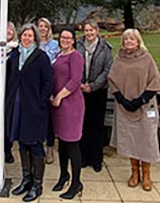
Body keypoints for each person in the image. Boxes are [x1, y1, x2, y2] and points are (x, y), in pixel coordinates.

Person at [108, 29, 160, 191]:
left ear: (138, 41)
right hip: (124, 105)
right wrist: (121, 99)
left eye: (132, 39)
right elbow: (112, 80)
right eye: (126, 39)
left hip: (144, 105)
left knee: (145, 140)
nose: (129, 42)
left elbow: (155, 81)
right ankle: (134, 173)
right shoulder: (119, 59)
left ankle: (147, 175)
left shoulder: (147, 59)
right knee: (131, 140)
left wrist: (141, 100)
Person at [7, 23, 54, 202]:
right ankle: (26, 178)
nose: (26, 38)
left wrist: (41, 102)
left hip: (34, 107)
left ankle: (37, 184)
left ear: (35, 37)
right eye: (24, 35)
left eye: (29, 35)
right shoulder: (15, 54)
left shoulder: (40, 57)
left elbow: (48, 81)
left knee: (34, 143)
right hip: (17, 105)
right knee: (22, 143)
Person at [50, 28, 85, 199]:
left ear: (73, 40)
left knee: (72, 143)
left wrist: (59, 96)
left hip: (71, 104)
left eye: (68, 38)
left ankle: (76, 183)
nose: (64, 40)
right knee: (62, 143)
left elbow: (75, 81)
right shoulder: (57, 55)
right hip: (57, 105)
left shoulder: (75, 56)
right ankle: (64, 175)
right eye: (62, 37)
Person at [76, 20, 113, 172]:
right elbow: (74, 65)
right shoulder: (78, 45)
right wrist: (80, 84)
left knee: (96, 126)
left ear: (97, 31)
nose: (89, 33)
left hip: (98, 92)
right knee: (82, 125)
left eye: (92, 30)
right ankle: (84, 157)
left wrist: (93, 86)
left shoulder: (105, 47)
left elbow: (107, 70)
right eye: (86, 30)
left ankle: (96, 159)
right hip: (80, 91)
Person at [36, 17, 59, 164]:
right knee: (38, 117)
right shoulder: (34, 44)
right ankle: (38, 147)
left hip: (51, 83)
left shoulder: (54, 44)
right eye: (40, 26)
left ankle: (50, 148)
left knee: (50, 119)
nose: (43, 28)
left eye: (45, 26)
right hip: (36, 85)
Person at [3, 21, 18, 164]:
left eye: (10, 29)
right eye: (5, 29)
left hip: (10, 91)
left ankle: (7, 150)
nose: (7, 31)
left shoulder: (16, 49)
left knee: (7, 120)